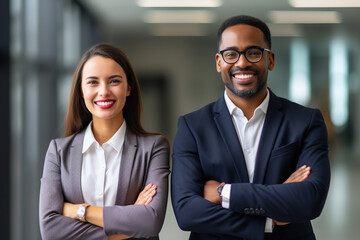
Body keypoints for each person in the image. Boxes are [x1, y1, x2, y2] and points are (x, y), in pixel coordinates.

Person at [171, 15, 330, 240]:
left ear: (270, 60)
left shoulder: (306, 121)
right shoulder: (192, 127)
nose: (242, 62)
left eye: (254, 52)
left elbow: (310, 200)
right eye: (231, 54)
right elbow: (187, 212)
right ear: (219, 62)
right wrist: (268, 221)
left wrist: (224, 192)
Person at [39, 43, 170, 240]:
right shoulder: (58, 151)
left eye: (114, 81)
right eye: (93, 82)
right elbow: (50, 229)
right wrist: (123, 230)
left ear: (128, 88)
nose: (104, 91)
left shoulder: (153, 148)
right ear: (81, 91)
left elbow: (150, 221)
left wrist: (80, 211)